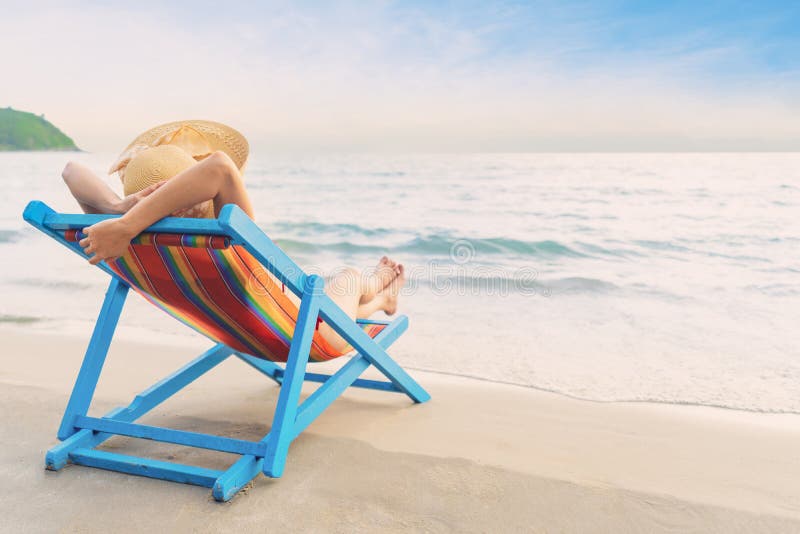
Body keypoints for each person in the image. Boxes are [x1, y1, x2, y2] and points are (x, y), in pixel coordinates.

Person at [61, 120, 405, 353]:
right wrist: (124, 224)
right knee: (351, 277)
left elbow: (70, 170)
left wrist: (119, 210)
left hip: (240, 333)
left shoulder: (121, 241)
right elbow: (222, 167)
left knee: (337, 292)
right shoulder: (232, 235)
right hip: (306, 338)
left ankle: (381, 301)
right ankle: (378, 289)